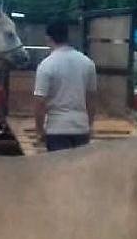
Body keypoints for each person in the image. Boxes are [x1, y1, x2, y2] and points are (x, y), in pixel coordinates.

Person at [33, 19, 97, 152]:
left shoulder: (46, 65)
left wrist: (39, 130)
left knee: (58, 171)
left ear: (48, 38)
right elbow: (91, 99)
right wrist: (89, 124)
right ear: (68, 37)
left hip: (57, 129)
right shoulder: (87, 63)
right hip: (81, 128)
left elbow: (39, 102)